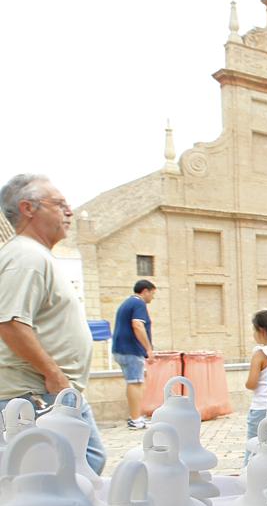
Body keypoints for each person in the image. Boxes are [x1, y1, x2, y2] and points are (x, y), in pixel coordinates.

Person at [0, 174, 104, 472]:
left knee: (79, 466)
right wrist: (54, 374)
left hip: (46, 392)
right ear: (28, 208)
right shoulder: (25, 256)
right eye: (59, 204)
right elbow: (9, 323)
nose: (69, 212)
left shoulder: (35, 256)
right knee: (65, 471)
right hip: (36, 394)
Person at [112, 279, 156, 429]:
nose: (153, 297)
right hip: (130, 349)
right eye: (152, 293)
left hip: (122, 349)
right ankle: (135, 419)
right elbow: (137, 325)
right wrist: (148, 349)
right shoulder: (138, 303)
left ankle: (136, 416)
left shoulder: (127, 303)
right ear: (145, 291)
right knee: (135, 383)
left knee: (135, 382)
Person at [243, 309, 267, 462]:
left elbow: (252, 383)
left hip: (259, 408)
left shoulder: (259, 354)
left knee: (254, 446)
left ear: (261, 331)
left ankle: (249, 474)